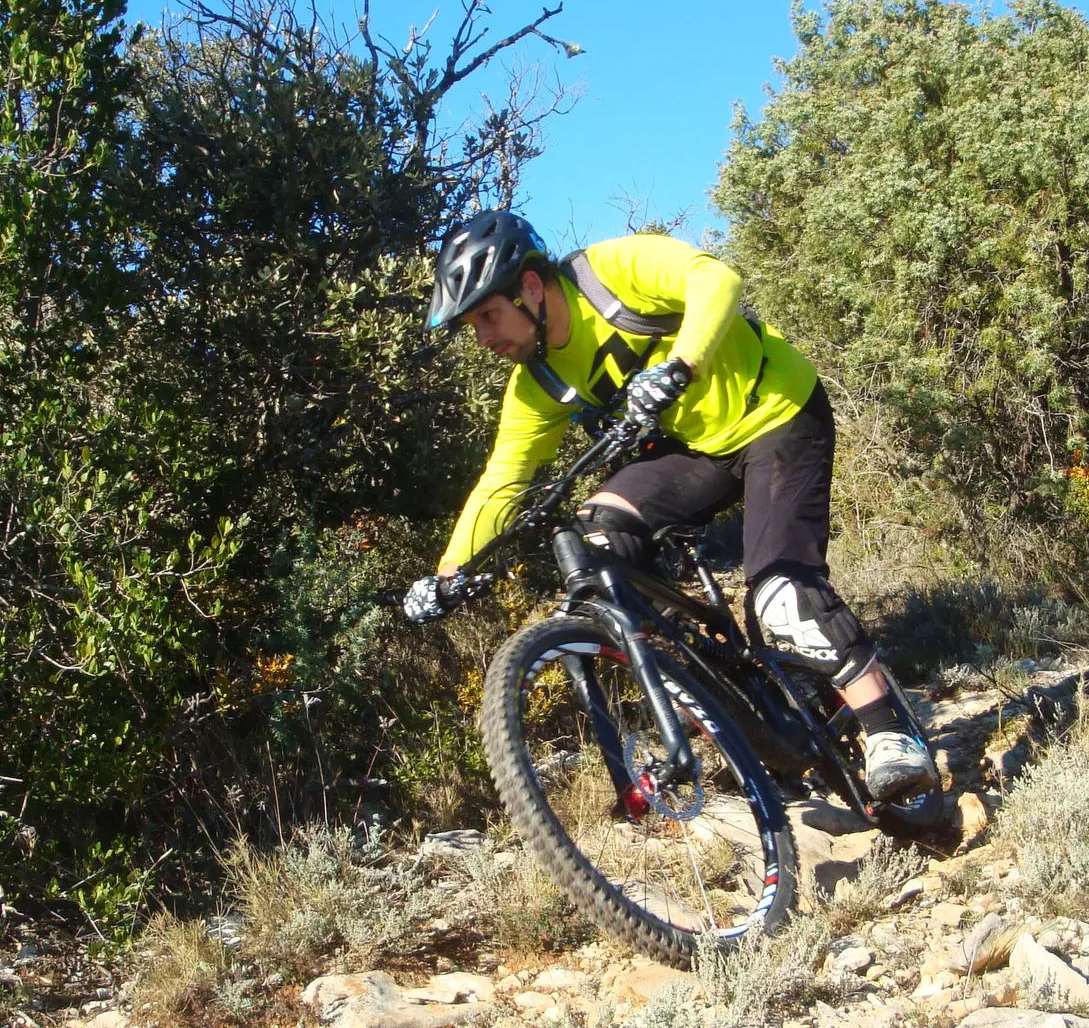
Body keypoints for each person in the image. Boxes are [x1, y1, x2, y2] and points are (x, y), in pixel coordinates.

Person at [400, 210, 939, 800]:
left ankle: (889, 733)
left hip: (776, 412)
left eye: (486, 315)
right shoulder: (539, 382)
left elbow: (717, 280)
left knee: (781, 591)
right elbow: (503, 479)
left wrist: (679, 365)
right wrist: (450, 573)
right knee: (595, 544)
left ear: (529, 288)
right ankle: (726, 696)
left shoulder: (609, 274)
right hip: (693, 452)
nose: (481, 338)